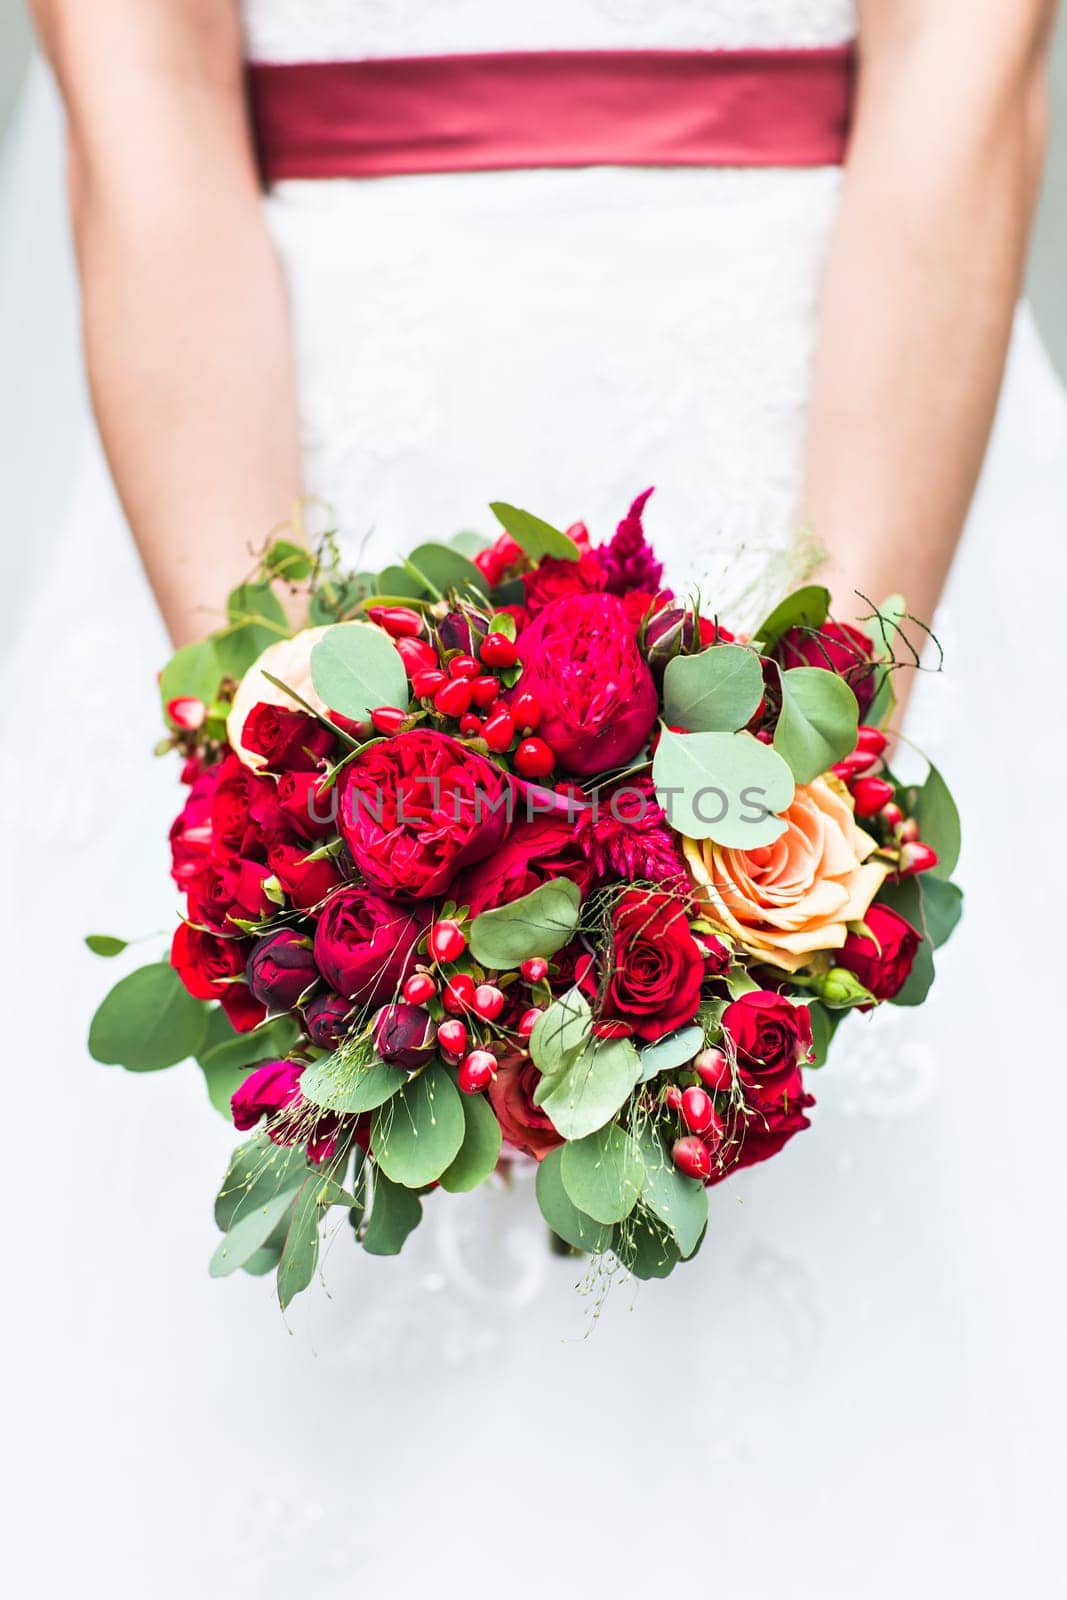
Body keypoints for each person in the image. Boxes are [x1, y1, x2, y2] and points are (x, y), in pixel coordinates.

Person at [3, 2, 1065, 1595]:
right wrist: (302, 787)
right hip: (281, 423)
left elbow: (966, 65)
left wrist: (810, 780)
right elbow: (142, 97)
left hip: (851, 405)